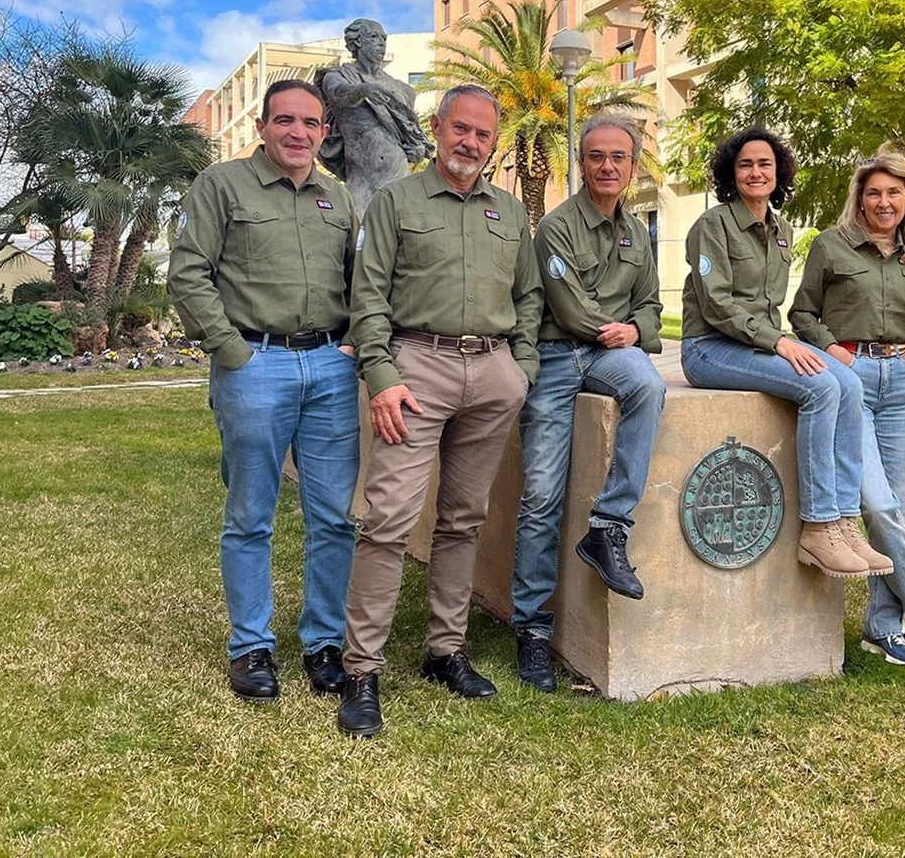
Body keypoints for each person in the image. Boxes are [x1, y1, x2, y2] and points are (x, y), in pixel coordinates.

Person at [337, 84, 543, 738]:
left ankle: (444, 652)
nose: (471, 143)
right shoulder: (397, 201)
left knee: (463, 520)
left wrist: (522, 371)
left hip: (491, 374)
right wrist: (381, 375)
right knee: (389, 519)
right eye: (461, 129)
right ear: (437, 127)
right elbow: (366, 297)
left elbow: (529, 298)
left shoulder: (510, 213)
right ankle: (361, 668)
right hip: (414, 369)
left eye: (484, 135)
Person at [167, 79, 359, 703]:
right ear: (263, 126)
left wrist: (354, 340)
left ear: (324, 131)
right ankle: (251, 647)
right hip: (256, 366)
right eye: (286, 121)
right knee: (252, 515)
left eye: (310, 122)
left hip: (331, 367)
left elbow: (362, 280)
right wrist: (233, 352)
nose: (298, 132)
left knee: (333, 517)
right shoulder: (221, 186)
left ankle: (324, 643)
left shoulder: (339, 197)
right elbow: (188, 274)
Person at [679, 127, 890, 579]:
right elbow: (718, 305)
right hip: (710, 348)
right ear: (730, 174)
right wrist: (778, 342)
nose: (756, 172)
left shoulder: (782, 231)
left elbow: (772, 306)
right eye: (745, 164)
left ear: (779, 173)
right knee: (819, 389)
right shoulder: (711, 226)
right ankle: (817, 528)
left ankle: (845, 522)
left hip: (758, 344)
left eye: (765, 164)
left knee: (849, 384)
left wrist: (780, 342)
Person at [510, 115, 667, 693]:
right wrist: (624, 328)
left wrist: (635, 330)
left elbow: (651, 307)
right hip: (557, 357)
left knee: (648, 386)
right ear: (581, 163)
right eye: (596, 156)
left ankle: (608, 525)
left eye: (618, 158)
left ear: (632, 166)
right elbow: (572, 311)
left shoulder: (637, 233)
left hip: (607, 354)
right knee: (541, 494)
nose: (607, 166)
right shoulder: (556, 227)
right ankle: (531, 629)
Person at [790, 150, 905, 666]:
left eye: (894, 193)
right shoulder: (832, 246)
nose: (883, 202)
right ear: (859, 198)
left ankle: (883, 627)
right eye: (874, 192)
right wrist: (836, 353)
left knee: (902, 508)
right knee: (874, 504)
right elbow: (802, 313)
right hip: (850, 378)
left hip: (900, 382)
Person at [315, 17, 433, 216]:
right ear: (357, 42)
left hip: (398, 175)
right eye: (373, 36)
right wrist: (362, 91)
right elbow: (338, 92)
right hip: (361, 176)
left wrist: (418, 149)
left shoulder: (401, 89)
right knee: (356, 238)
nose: (381, 43)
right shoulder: (339, 77)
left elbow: (413, 133)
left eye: (384, 38)